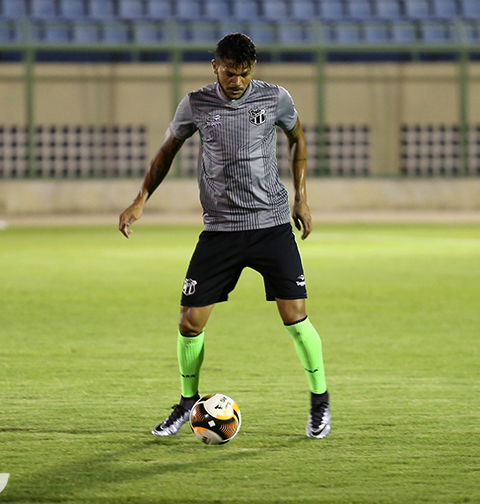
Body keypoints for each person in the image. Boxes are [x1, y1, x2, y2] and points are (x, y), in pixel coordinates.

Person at [118, 33, 330, 439]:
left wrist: (302, 198)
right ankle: (186, 403)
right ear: (215, 66)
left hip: (271, 226)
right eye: (230, 73)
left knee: (296, 316)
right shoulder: (196, 104)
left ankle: (319, 402)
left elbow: (297, 137)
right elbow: (167, 151)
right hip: (220, 230)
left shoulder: (275, 99)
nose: (237, 81)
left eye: (245, 74)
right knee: (189, 321)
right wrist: (140, 199)